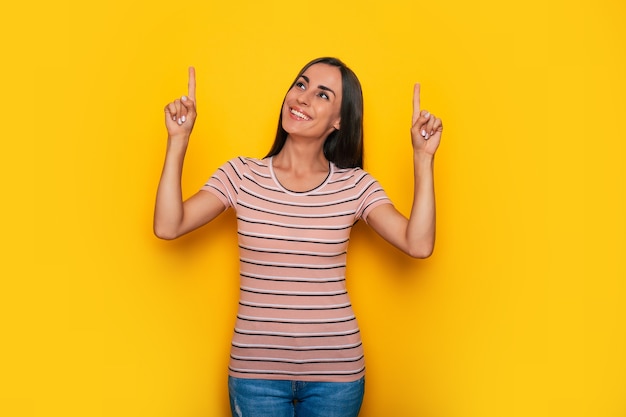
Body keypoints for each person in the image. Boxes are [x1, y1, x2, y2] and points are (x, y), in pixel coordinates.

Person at [154, 57, 443, 417]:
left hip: (336, 378)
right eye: (301, 85)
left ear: (339, 120)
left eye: (323, 94)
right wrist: (178, 140)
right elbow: (168, 226)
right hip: (254, 376)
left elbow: (418, 244)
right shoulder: (241, 175)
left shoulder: (354, 185)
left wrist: (422, 157)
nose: (303, 98)